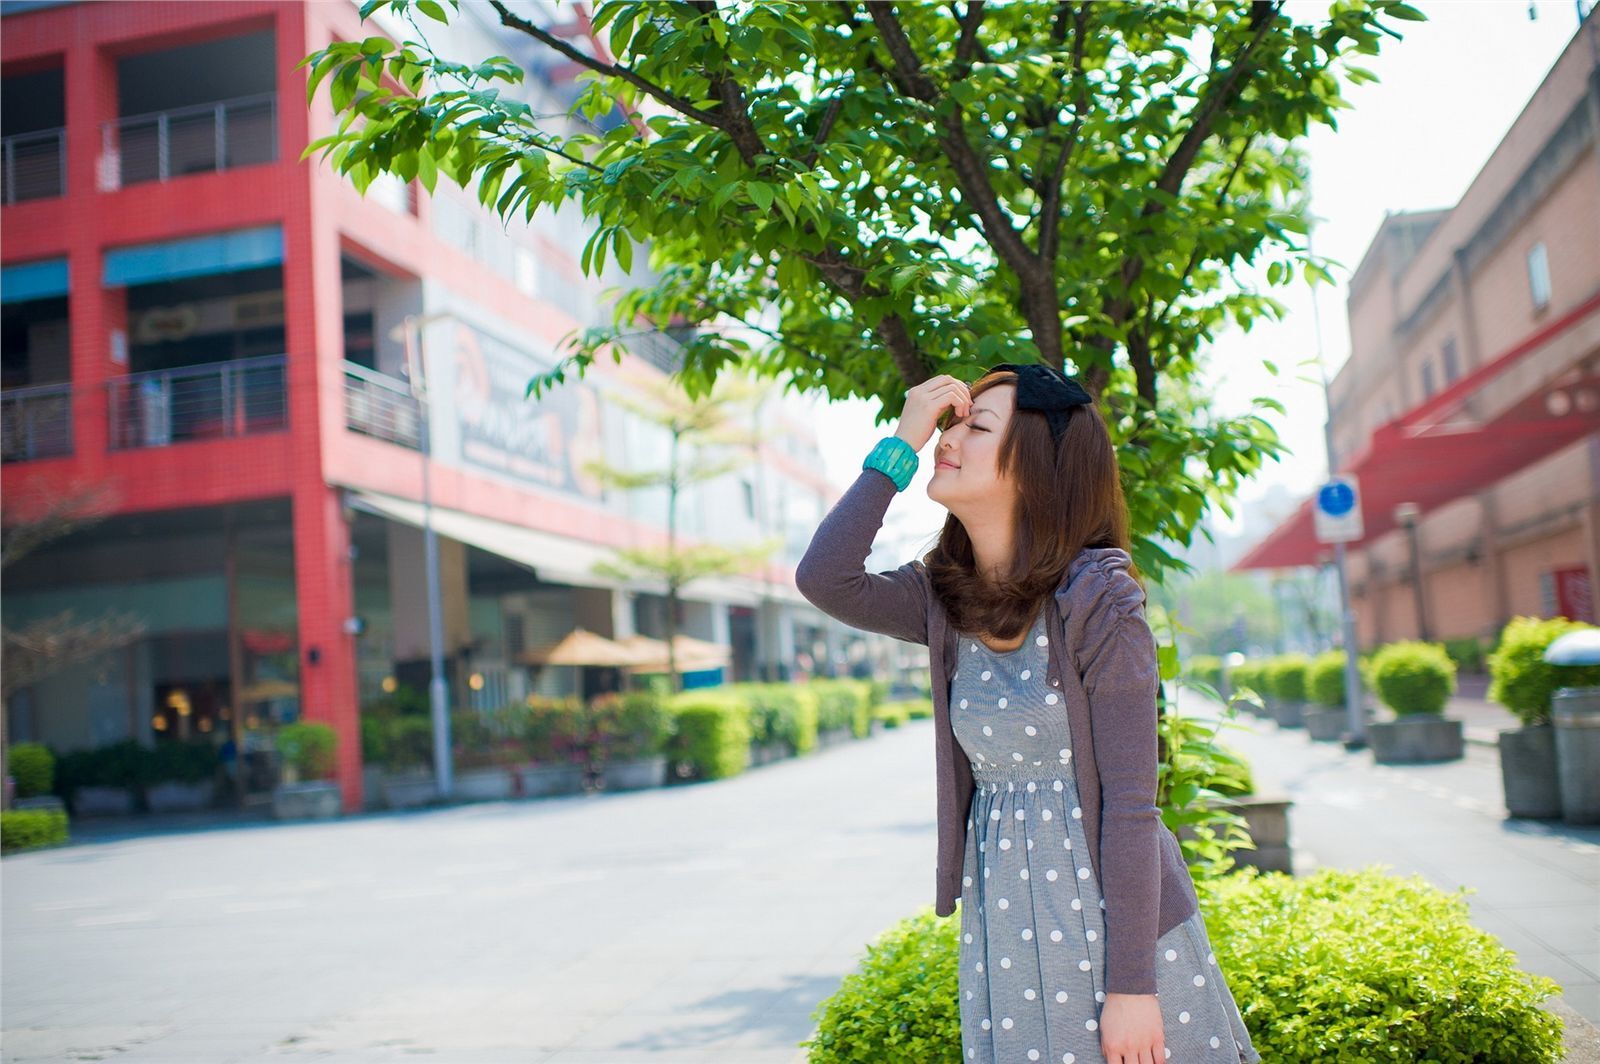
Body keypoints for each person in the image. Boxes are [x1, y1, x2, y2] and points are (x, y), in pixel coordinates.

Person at [795, 366, 1260, 1064]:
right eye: (953, 424)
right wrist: (899, 445)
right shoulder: (943, 600)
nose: (947, 438)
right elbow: (825, 577)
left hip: (1112, 923)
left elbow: (1133, 806)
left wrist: (1134, 988)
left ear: (1037, 470)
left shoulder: (1098, 598)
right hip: (1006, 914)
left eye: (976, 427)